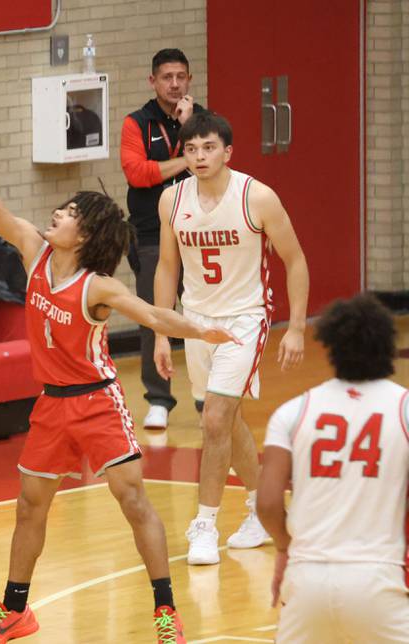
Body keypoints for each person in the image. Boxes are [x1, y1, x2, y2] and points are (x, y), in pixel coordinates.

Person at [0, 87, 240, 644]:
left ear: (88, 235)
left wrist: (200, 329)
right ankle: (15, 611)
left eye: (70, 213)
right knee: (29, 506)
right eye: (62, 209)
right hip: (51, 405)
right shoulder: (33, 251)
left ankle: (165, 612)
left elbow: (153, 313)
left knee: (133, 500)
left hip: (97, 402)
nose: (57, 214)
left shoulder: (96, 286)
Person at [153, 111, 310, 565]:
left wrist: (297, 328)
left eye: (208, 148)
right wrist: (163, 332)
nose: (199, 157)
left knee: (215, 418)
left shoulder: (257, 197)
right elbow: (167, 267)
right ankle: (264, 510)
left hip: (244, 320)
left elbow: (295, 260)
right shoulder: (172, 200)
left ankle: (205, 525)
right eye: (191, 149)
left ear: (227, 152)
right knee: (227, 418)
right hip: (196, 321)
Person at [257, 293, 409, 642]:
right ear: (387, 346)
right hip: (378, 580)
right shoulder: (403, 408)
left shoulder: (293, 411)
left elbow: (267, 504)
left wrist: (284, 546)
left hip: (306, 578)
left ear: (331, 347)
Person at [121, 48, 204, 429]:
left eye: (181, 77)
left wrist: (190, 129)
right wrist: (189, 159)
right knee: (154, 318)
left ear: (189, 80)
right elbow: (138, 174)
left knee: (201, 316)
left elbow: (216, 168)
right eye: (167, 77)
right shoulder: (136, 123)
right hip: (151, 233)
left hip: (197, 231)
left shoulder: (203, 121)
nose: (174, 84)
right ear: (152, 81)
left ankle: (206, 397)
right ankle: (158, 399)